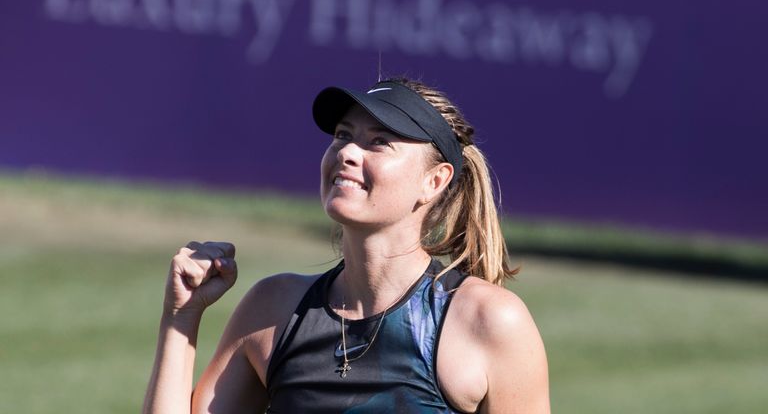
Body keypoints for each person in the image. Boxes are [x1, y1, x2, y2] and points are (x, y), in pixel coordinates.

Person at [143, 78, 550, 413]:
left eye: (379, 141)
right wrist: (181, 317)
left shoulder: (488, 320)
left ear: (435, 181)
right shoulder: (272, 309)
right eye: (342, 135)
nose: (348, 152)